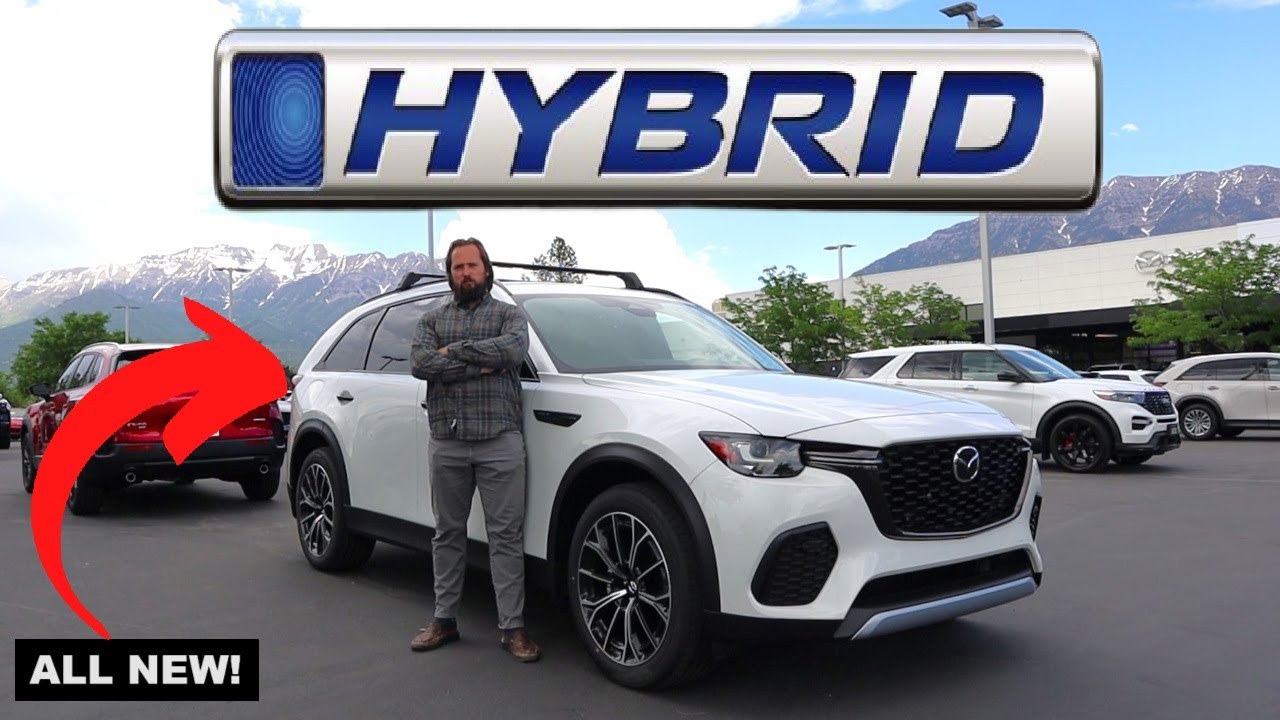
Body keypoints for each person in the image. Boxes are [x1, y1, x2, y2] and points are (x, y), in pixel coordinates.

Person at [407, 237, 540, 663]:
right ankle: (444, 620)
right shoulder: (431, 319)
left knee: (506, 537)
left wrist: (454, 353)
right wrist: (482, 364)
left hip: (500, 439)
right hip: (447, 440)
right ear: (450, 273)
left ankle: (512, 628)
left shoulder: (509, 316)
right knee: (447, 533)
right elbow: (421, 363)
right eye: (458, 267)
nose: (465, 273)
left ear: (486, 270)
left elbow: (513, 351)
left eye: (472, 265)